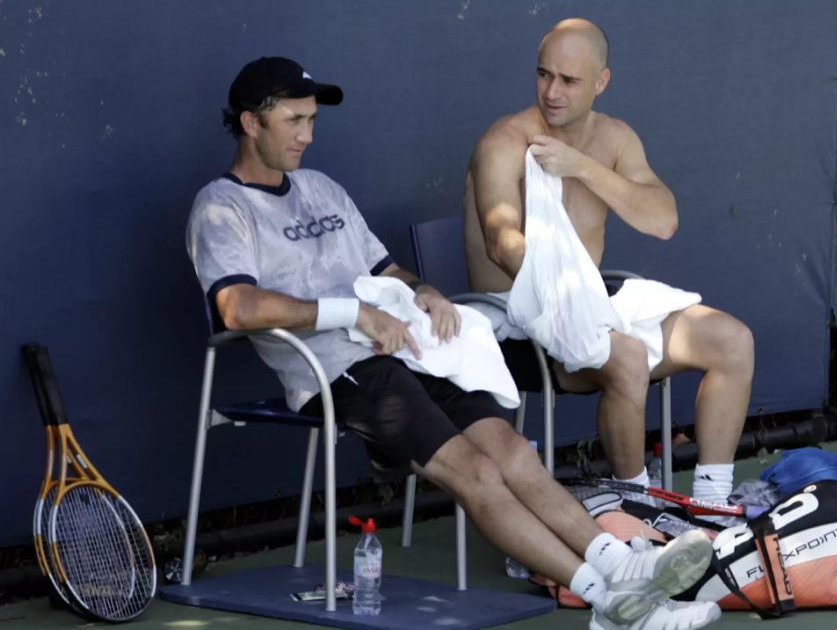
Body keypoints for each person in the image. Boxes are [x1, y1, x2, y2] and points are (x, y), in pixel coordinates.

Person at [186, 56, 721, 630]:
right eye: (294, 121)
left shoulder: (320, 188)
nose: (307, 135)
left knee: (513, 453)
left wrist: (427, 294)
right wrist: (354, 314)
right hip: (337, 369)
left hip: (410, 350)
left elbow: (387, 268)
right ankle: (609, 602)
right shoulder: (221, 207)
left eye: (312, 120)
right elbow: (236, 307)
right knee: (477, 472)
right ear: (250, 122)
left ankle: (625, 570)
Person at [465, 19, 754, 512]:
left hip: (592, 302)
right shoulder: (504, 142)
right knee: (625, 357)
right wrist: (570, 300)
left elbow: (663, 220)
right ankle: (637, 507)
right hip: (521, 322)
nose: (552, 92)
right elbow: (502, 242)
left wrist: (583, 167)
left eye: (569, 81)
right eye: (543, 75)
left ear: (601, 82)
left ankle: (711, 506)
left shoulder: (615, 139)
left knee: (732, 340)